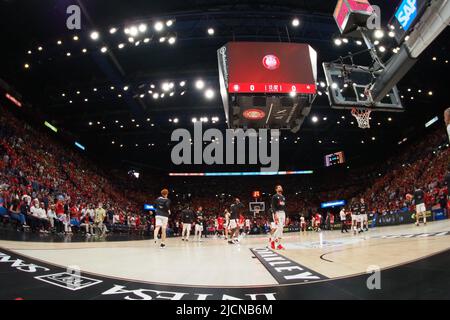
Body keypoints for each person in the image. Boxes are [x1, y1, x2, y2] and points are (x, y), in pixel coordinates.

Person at [270, 185, 286, 250]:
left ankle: (275, 243)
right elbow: (273, 206)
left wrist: (286, 215)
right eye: (279, 187)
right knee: (279, 228)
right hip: (277, 213)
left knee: (281, 229)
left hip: (283, 213)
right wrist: (275, 214)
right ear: (276, 189)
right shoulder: (274, 196)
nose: (280, 188)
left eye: (281, 187)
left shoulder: (283, 197)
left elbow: (284, 207)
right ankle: (275, 242)